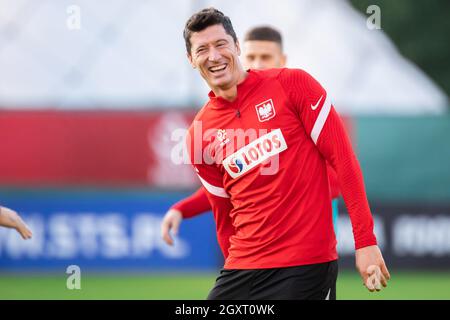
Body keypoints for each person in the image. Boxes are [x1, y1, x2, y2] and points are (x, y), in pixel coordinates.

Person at [181, 7, 390, 299]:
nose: (213, 56)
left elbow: (343, 161)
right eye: (202, 49)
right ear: (191, 59)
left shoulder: (293, 85)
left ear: (237, 46)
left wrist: (365, 242)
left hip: (304, 266)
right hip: (243, 269)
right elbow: (223, 216)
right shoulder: (197, 136)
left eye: (220, 44)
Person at [161, 26, 341, 248]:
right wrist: (183, 208)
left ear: (282, 60)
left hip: (310, 221)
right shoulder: (236, 113)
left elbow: (339, 166)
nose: (257, 64)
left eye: (265, 57)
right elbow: (233, 181)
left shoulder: (299, 98)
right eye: (251, 57)